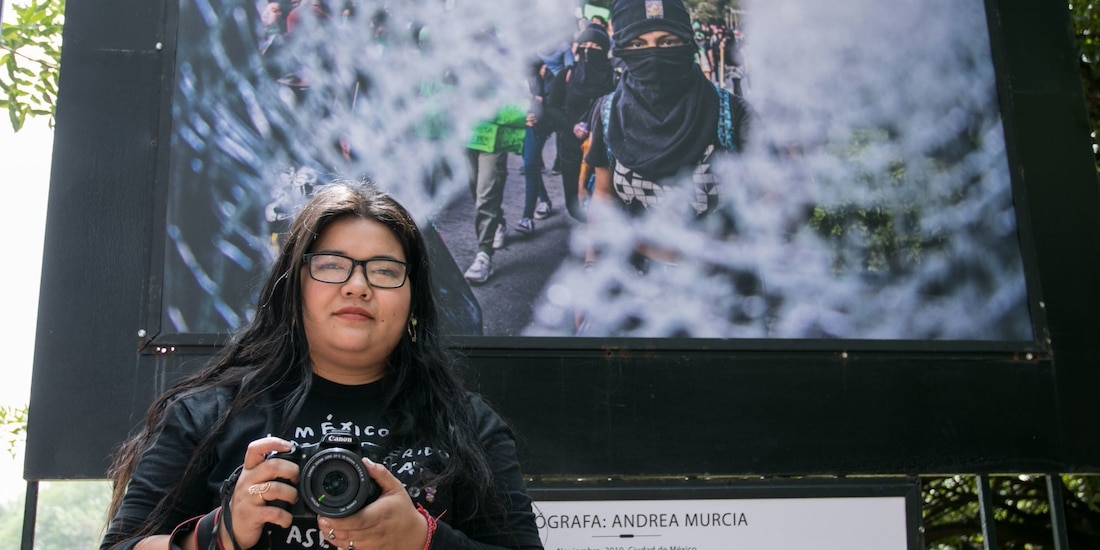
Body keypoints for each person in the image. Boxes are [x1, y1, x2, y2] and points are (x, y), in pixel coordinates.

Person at [101, 181, 543, 550]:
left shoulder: (469, 426)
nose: (357, 286)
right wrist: (219, 532)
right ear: (293, 289)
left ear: (414, 301)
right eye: (331, 265)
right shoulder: (204, 417)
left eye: (385, 270)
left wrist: (423, 539)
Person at [578, 0, 757, 333]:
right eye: (637, 44)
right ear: (621, 48)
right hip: (633, 284)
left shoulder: (733, 115)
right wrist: (591, 272)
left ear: (687, 42)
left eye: (667, 41)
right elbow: (603, 198)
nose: (654, 54)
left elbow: (772, 207)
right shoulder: (609, 113)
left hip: (719, 291)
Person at [543, 23, 616, 222]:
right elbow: (552, 107)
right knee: (574, 200)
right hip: (571, 147)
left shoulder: (613, 78)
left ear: (604, 49)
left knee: (602, 198)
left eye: (595, 46)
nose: (589, 50)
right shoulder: (567, 76)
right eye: (585, 45)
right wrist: (572, 126)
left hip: (603, 149)